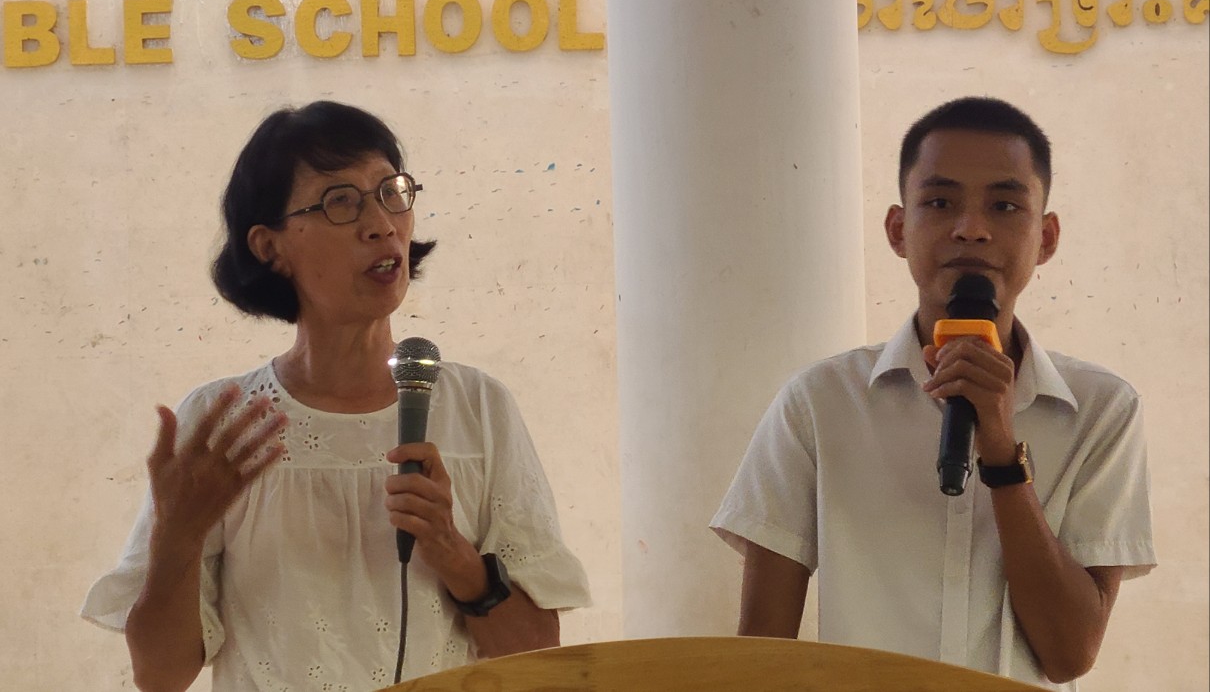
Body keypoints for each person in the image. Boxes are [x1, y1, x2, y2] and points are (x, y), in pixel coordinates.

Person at [82, 100, 591, 691]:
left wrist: (453, 552)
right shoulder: (225, 424)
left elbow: (538, 657)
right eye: (340, 202)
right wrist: (178, 536)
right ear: (270, 247)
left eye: (391, 192)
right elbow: (161, 677)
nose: (381, 224)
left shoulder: (479, 408)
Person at [710, 96, 1155, 690]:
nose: (971, 228)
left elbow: (1069, 654)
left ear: (1046, 238)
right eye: (940, 202)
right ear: (898, 230)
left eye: (1004, 205)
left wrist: (1002, 453)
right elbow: (762, 650)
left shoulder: (1101, 411)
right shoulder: (820, 403)